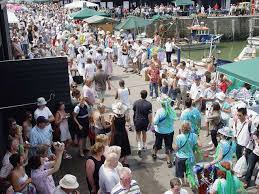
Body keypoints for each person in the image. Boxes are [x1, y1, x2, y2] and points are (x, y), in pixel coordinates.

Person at [152, 95, 176, 168]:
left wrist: (154, 115)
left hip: (160, 131)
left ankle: (154, 154)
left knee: (157, 144)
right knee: (168, 146)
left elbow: (155, 122)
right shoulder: (172, 110)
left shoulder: (159, 111)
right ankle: (168, 161)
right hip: (169, 131)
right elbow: (174, 119)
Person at [110, 102, 131, 167]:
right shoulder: (124, 116)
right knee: (125, 147)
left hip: (116, 134)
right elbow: (128, 121)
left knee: (116, 147)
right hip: (123, 133)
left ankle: (117, 162)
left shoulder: (113, 117)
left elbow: (112, 125)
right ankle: (125, 161)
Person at [133, 90, 152, 156]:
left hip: (137, 120)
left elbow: (134, 110)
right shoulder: (149, 104)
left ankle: (139, 147)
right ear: (146, 95)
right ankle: (144, 146)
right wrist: (150, 122)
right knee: (144, 133)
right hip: (145, 121)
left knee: (138, 134)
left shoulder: (136, 102)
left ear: (140, 95)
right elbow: (150, 115)